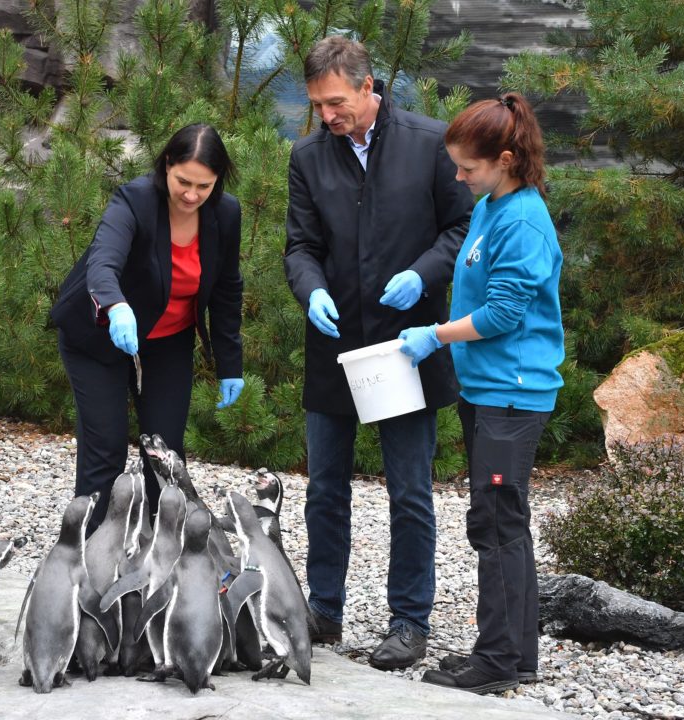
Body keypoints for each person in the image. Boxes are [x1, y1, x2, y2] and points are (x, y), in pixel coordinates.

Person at [283, 35, 474, 669]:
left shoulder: (430, 144)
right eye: (316, 105)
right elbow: (300, 247)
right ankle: (324, 610)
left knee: (409, 489)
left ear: (369, 87)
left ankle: (410, 620)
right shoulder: (309, 156)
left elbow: (463, 229)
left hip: (406, 345)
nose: (326, 117)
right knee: (324, 489)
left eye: (335, 103)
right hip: (335, 345)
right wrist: (309, 290)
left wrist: (424, 273)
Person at [399, 93, 564, 694]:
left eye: (468, 168)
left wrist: (435, 335)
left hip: (511, 396)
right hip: (487, 390)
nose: (460, 178)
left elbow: (501, 313)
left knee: (493, 523)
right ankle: (516, 656)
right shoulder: (496, 205)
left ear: (506, 158)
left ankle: (494, 662)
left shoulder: (522, 220)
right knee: (504, 521)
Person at [50, 123, 245, 533]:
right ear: (166, 166)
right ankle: (85, 555)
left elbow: (227, 289)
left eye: (204, 186)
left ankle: (165, 555)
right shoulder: (135, 200)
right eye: (183, 182)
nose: (192, 195)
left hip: (169, 341)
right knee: (105, 453)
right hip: (100, 337)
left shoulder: (226, 214)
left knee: (166, 455)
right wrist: (116, 305)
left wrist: (230, 364)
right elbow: (103, 263)